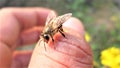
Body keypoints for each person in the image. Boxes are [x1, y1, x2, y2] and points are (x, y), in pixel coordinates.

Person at [0, 8, 93, 68]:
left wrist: (68, 36)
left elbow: (54, 25)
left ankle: (67, 36)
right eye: (45, 39)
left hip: (56, 25)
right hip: (50, 25)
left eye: (46, 38)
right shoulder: (46, 31)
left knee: (60, 29)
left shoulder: (53, 30)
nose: (46, 41)